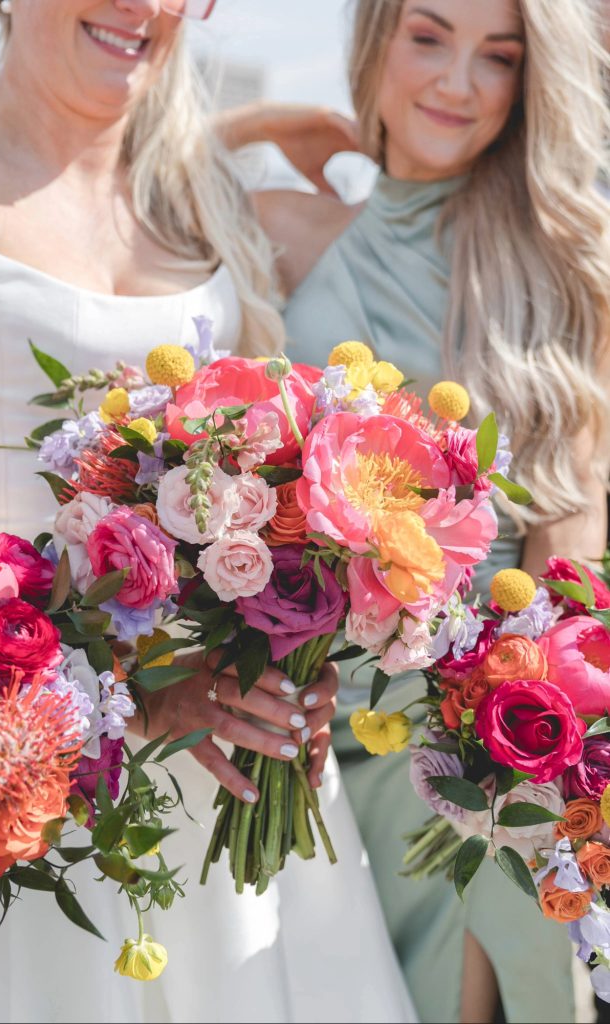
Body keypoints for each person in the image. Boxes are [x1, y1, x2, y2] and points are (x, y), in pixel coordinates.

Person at [0, 2, 416, 1022]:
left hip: (233, 768)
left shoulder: (207, 205)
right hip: (27, 762)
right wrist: (131, 700)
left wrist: (293, 643)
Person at [229, 0, 610, 1020]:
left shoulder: (561, 264)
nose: (456, 83)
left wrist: (532, 770)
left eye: (498, 57)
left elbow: (572, 559)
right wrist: (270, 124)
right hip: (313, 731)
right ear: (374, 41)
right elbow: (131, 181)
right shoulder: (284, 228)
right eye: (427, 37)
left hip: (484, 736)